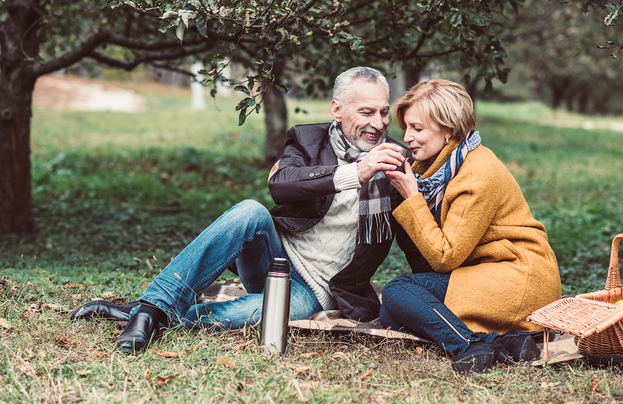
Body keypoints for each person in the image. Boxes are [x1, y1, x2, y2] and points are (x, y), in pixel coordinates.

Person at [70, 66, 407, 353]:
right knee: (250, 210)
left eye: (382, 111)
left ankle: (149, 313)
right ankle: (151, 307)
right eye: (366, 112)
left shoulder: (398, 160)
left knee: (240, 314)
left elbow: (417, 228)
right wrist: (357, 172)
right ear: (337, 110)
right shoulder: (307, 139)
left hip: (318, 290)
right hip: (274, 258)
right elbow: (282, 185)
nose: (377, 123)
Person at [382, 79, 562, 373]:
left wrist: (412, 196)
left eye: (417, 128)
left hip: (519, 276)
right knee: (390, 313)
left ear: (448, 130)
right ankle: (505, 343)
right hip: (484, 271)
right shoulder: (434, 166)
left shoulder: (476, 173)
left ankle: (467, 345)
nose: (408, 138)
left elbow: (445, 257)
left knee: (397, 290)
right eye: (406, 128)